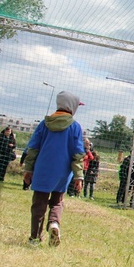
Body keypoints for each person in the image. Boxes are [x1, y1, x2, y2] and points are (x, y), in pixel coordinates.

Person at [22, 91, 85, 246]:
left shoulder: (44, 124)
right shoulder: (75, 127)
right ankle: (54, 224)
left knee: (39, 203)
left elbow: (33, 148)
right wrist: (78, 176)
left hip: (42, 170)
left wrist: (28, 169)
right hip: (62, 173)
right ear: (71, 106)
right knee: (57, 202)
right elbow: (78, 154)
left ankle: (35, 238)